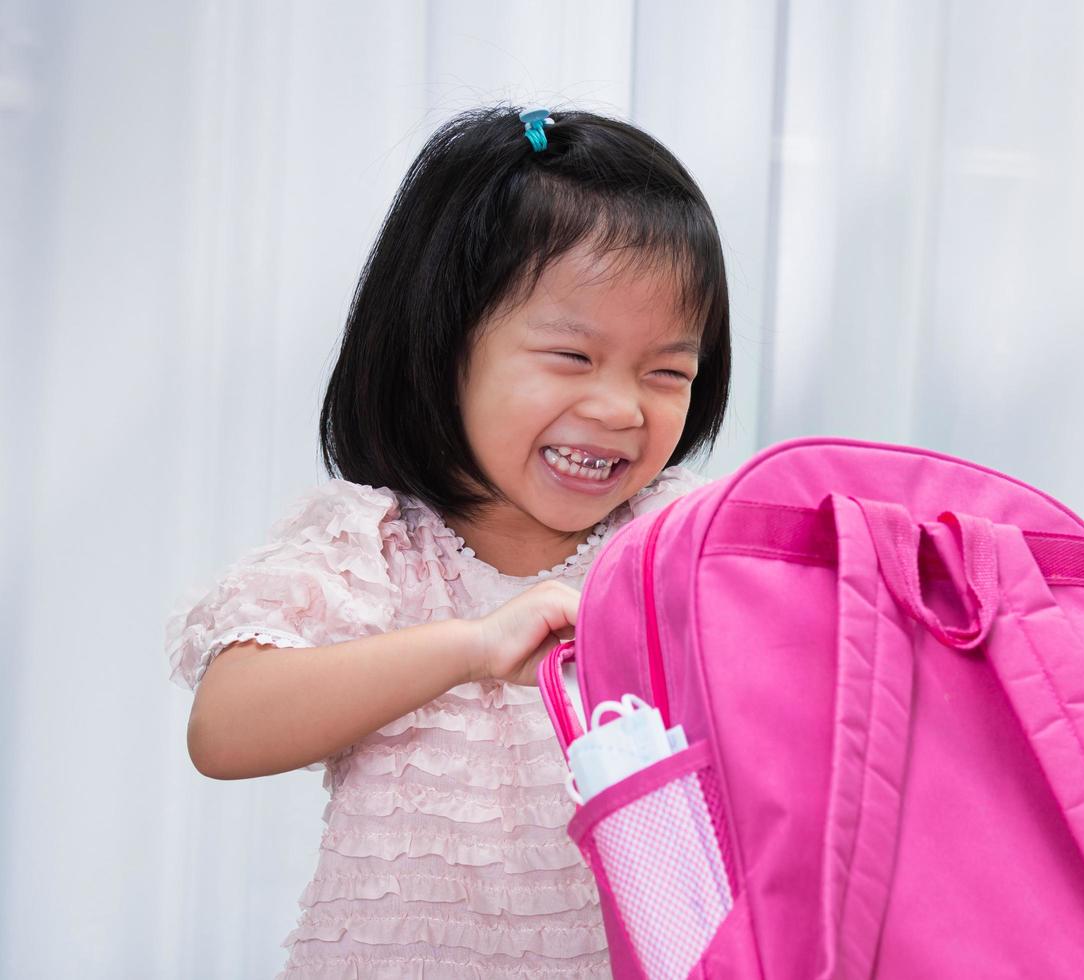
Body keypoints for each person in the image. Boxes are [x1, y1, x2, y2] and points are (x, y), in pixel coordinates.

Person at [164, 103, 731, 979]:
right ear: (443, 348)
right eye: (574, 358)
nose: (623, 409)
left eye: (667, 373)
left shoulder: (676, 543)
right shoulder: (374, 546)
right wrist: (469, 649)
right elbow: (226, 730)